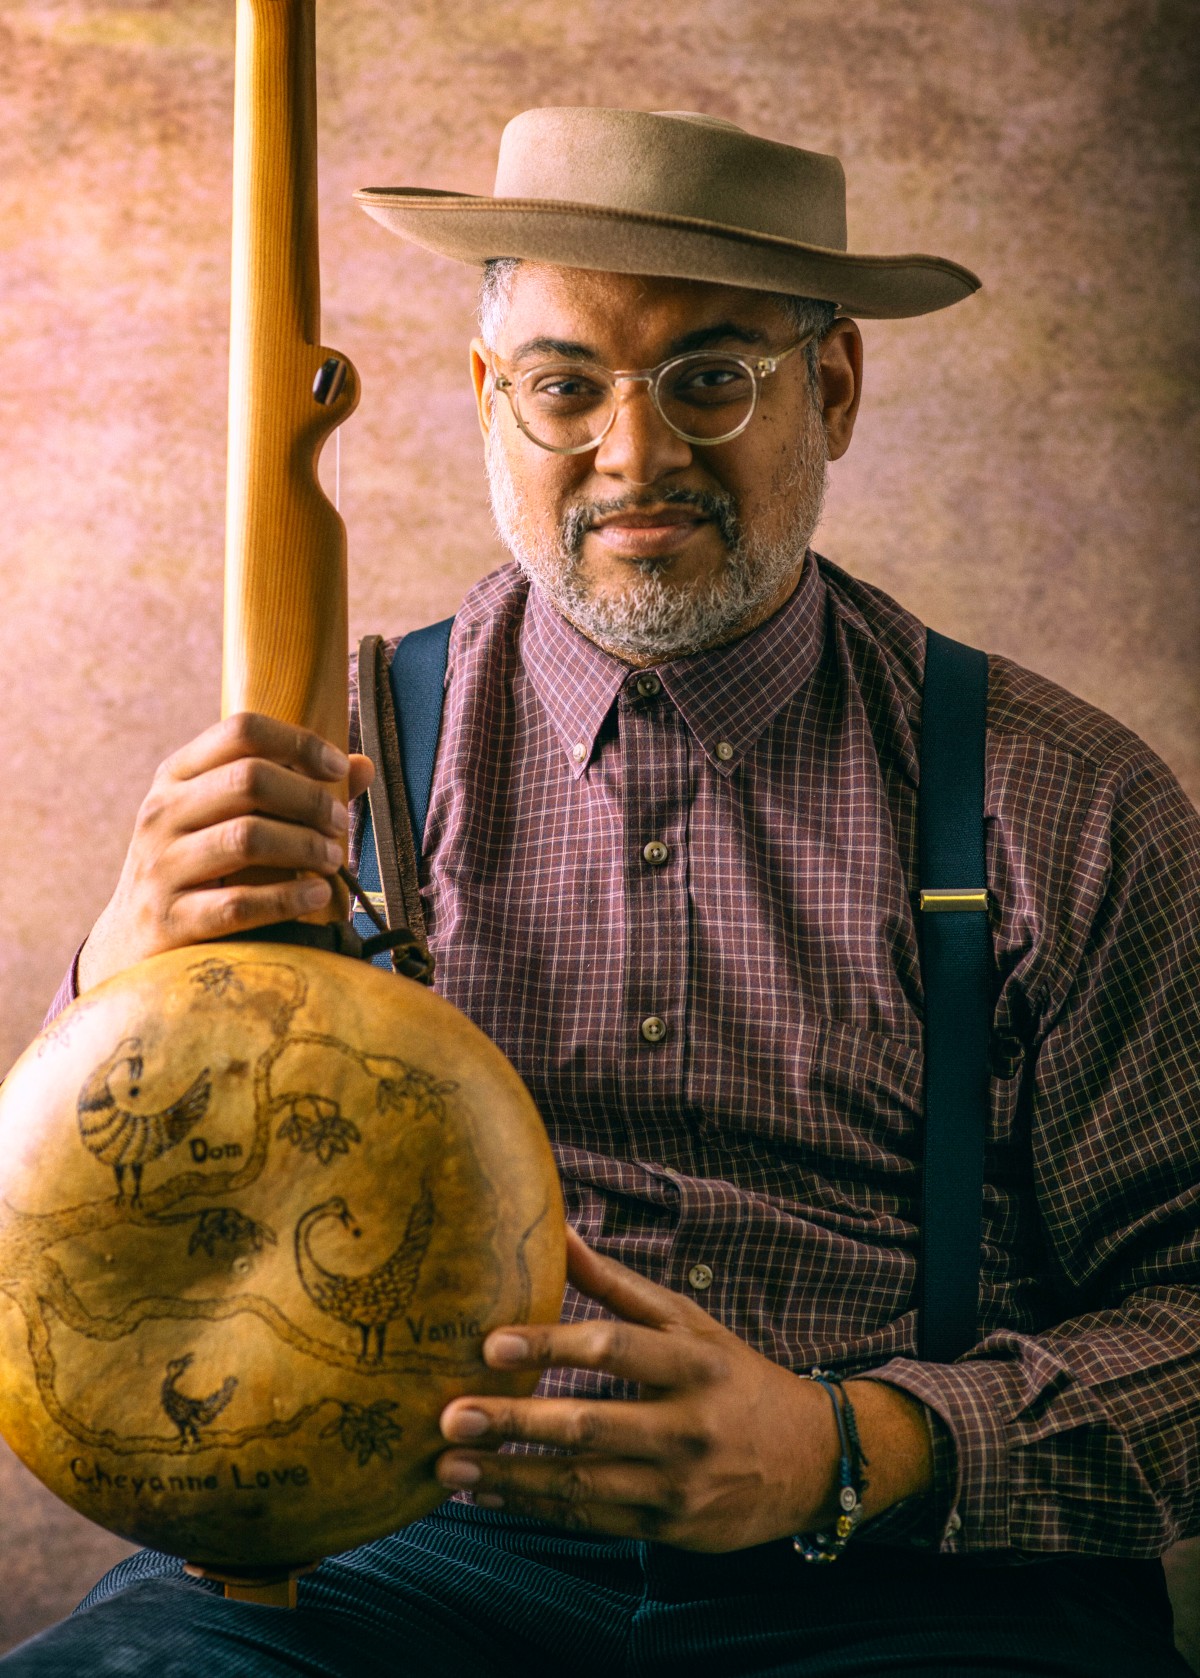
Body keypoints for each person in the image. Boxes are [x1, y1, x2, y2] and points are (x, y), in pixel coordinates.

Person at [7, 107, 1198, 1677]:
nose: (635, 455)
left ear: (831, 388)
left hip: (906, 1583)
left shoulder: (1061, 798)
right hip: (394, 1570)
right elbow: (92, 1252)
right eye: (568, 385)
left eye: (712, 378)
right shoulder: (324, 758)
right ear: (492, 398)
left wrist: (853, 1447)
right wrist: (122, 962)